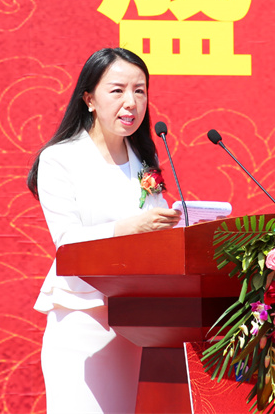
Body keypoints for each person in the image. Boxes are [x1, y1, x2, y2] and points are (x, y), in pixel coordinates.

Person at [27, 47, 181, 413]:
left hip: (135, 322)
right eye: (117, 90)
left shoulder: (143, 160)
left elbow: (156, 234)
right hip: (82, 317)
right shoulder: (60, 158)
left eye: (140, 91)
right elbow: (67, 242)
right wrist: (129, 227)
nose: (131, 102)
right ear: (89, 99)